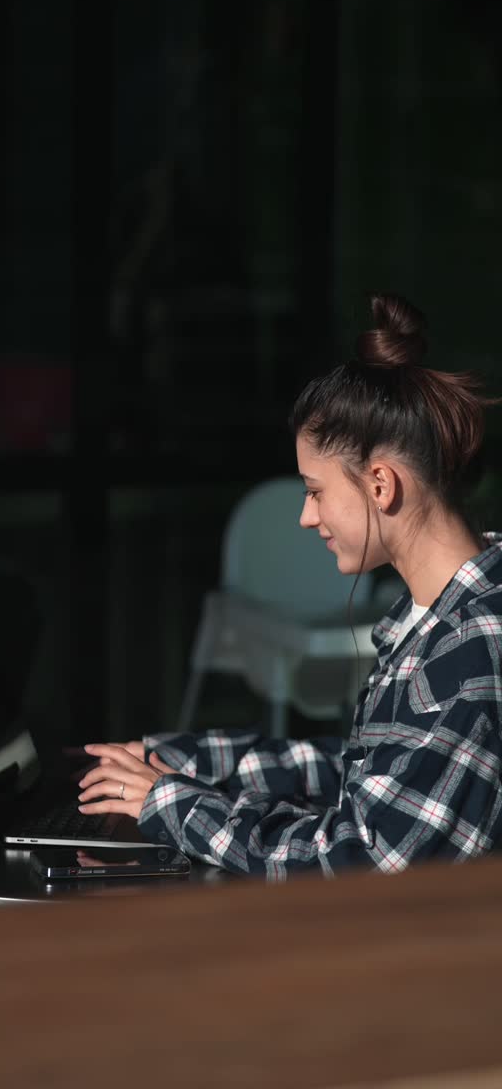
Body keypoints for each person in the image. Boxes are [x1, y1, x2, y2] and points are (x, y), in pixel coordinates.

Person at [78, 293, 502, 877]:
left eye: (315, 490)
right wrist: (182, 762)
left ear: (380, 485)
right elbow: (361, 771)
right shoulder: (444, 614)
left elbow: (360, 863)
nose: (306, 516)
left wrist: (168, 802)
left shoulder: (473, 645)